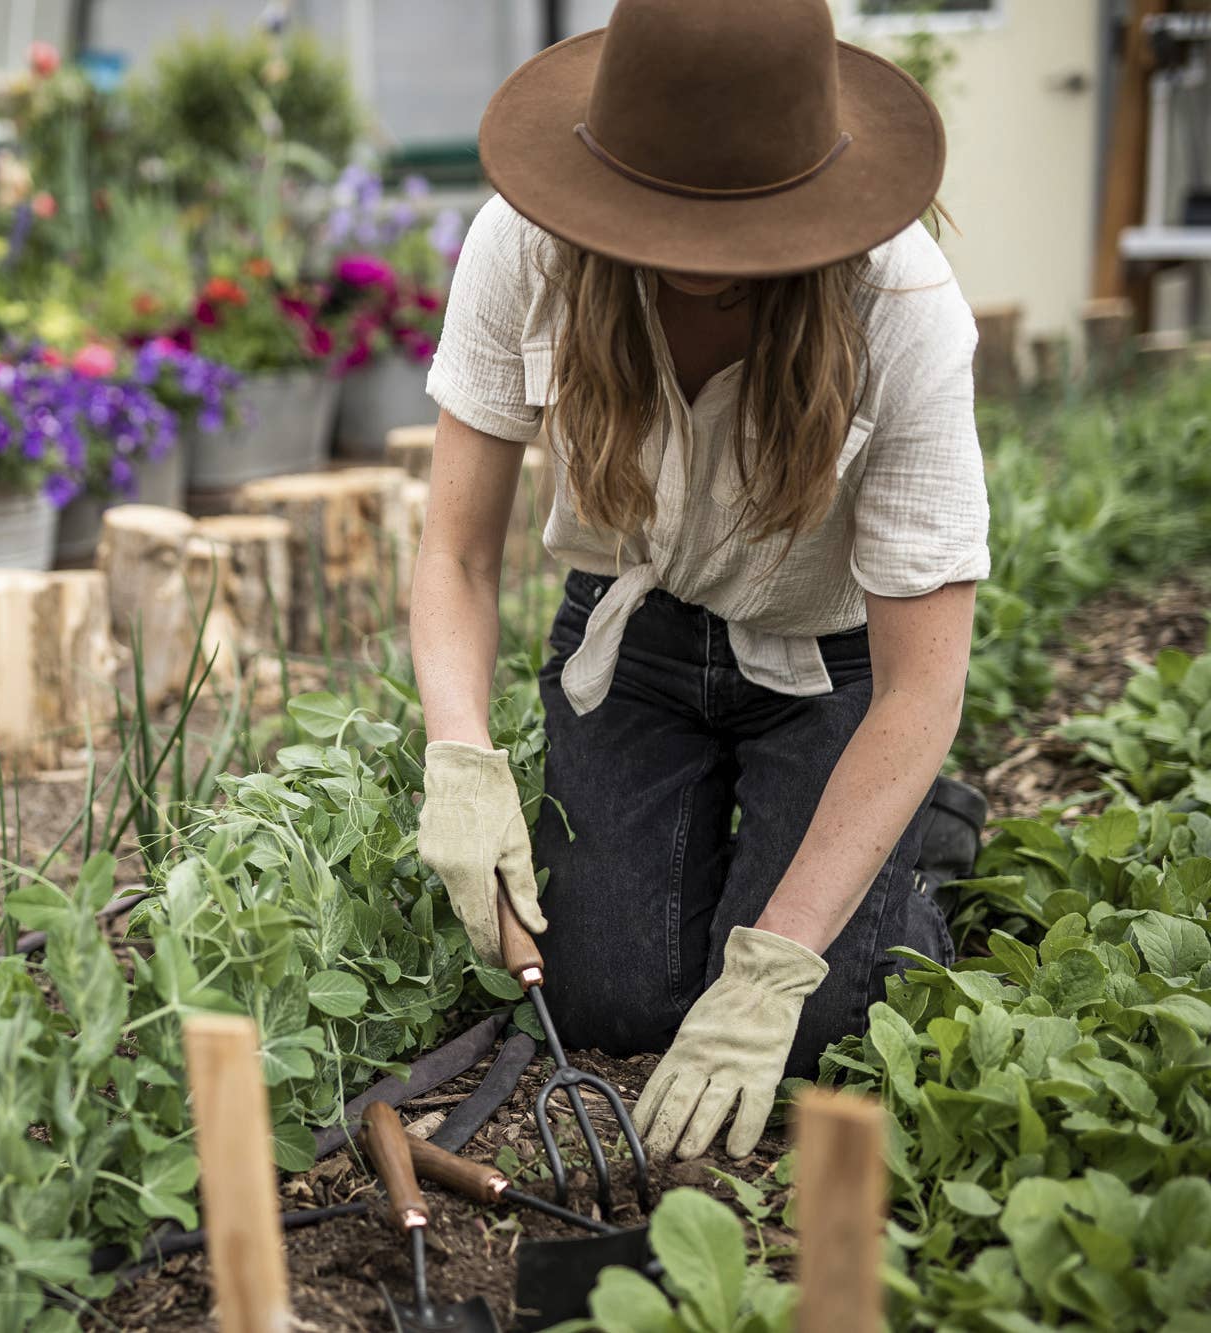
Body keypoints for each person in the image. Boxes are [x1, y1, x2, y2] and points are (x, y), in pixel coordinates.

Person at [411, 0, 990, 1164]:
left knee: (817, 1022)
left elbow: (918, 683)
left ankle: (915, 829)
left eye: (730, 255)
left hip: (826, 662)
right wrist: (460, 756)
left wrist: (774, 960)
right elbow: (458, 552)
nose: (690, 272)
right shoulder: (522, 246)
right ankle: (791, 851)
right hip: (635, 641)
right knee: (609, 1001)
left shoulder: (903, 307)